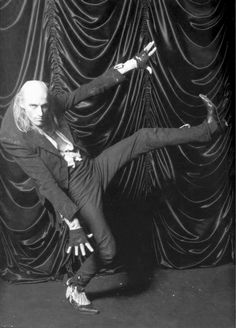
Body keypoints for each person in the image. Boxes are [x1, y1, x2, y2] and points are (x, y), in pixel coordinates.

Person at [0, 40, 227, 314]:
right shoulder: (13, 136)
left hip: (89, 166)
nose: (41, 113)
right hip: (74, 188)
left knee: (143, 137)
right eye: (34, 107)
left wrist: (133, 64)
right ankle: (76, 284)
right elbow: (45, 182)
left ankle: (209, 129)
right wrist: (72, 224)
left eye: (45, 106)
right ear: (22, 105)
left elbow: (85, 91)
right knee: (108, 249)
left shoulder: (48, 103)